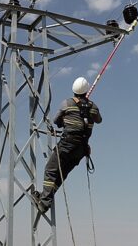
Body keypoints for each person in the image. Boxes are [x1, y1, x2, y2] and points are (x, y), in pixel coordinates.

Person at [33, 76, 102, 213]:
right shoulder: (93, 107)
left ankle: (44, 203)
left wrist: (66, 120)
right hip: (81, 149)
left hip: (67, 145)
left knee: (51, 170)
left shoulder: (67, 103)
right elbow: (99, 120)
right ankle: (46, 198)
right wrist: (87, 108)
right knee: (61, 174)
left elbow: (56, 121)